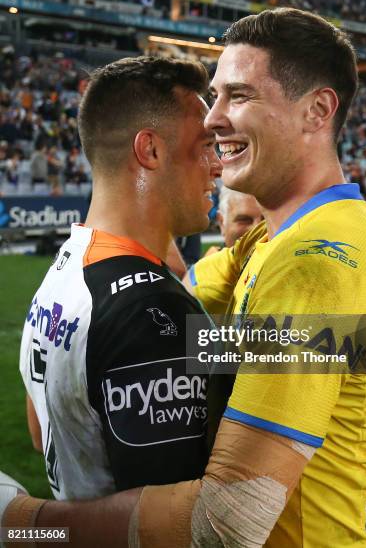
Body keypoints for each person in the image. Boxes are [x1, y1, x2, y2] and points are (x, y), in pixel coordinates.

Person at [2, 8, 366, 547]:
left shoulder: (312, 263)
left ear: (318, 110)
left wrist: (22, 524)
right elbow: (193, 315)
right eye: (215, 96)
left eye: (238, 96)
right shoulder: (268, 242)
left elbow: (228, 523)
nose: (213, 119)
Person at [18, 56, 219, 500]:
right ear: (150, 150)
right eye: (206, 146)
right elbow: (170, 525)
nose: (217, 166)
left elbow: (40, 434)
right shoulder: (152, 312)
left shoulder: (63, 270)